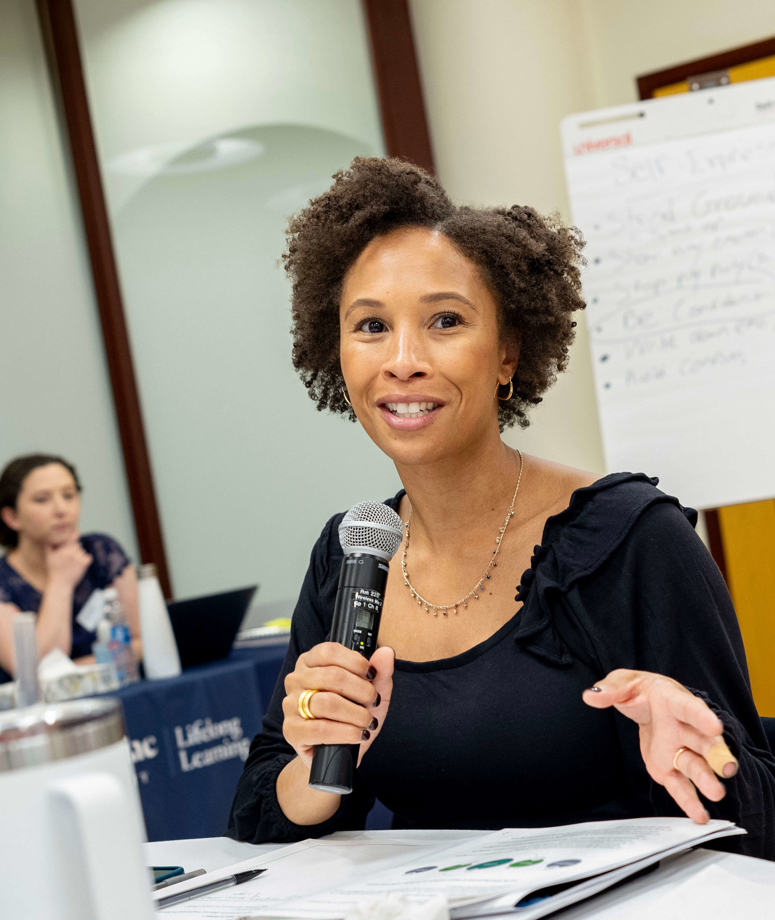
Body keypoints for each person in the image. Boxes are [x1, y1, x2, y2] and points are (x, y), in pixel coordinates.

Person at [229, 158, 775, 858]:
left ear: (507, 353)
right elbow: (258, 815)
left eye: (444, 321)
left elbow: (759, 815)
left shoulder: (626, 537)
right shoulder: (349, 556)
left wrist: (706, 755)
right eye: (369, 326)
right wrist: (311, 772)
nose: (402, 359)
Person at [0, 454, 141, 687]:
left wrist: (72, 672)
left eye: (69, 495)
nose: (61, 509)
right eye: (42, 500)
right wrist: (61, 581)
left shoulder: (102, 552)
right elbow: (36, 672)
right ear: (12, 517)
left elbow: (139, 643)